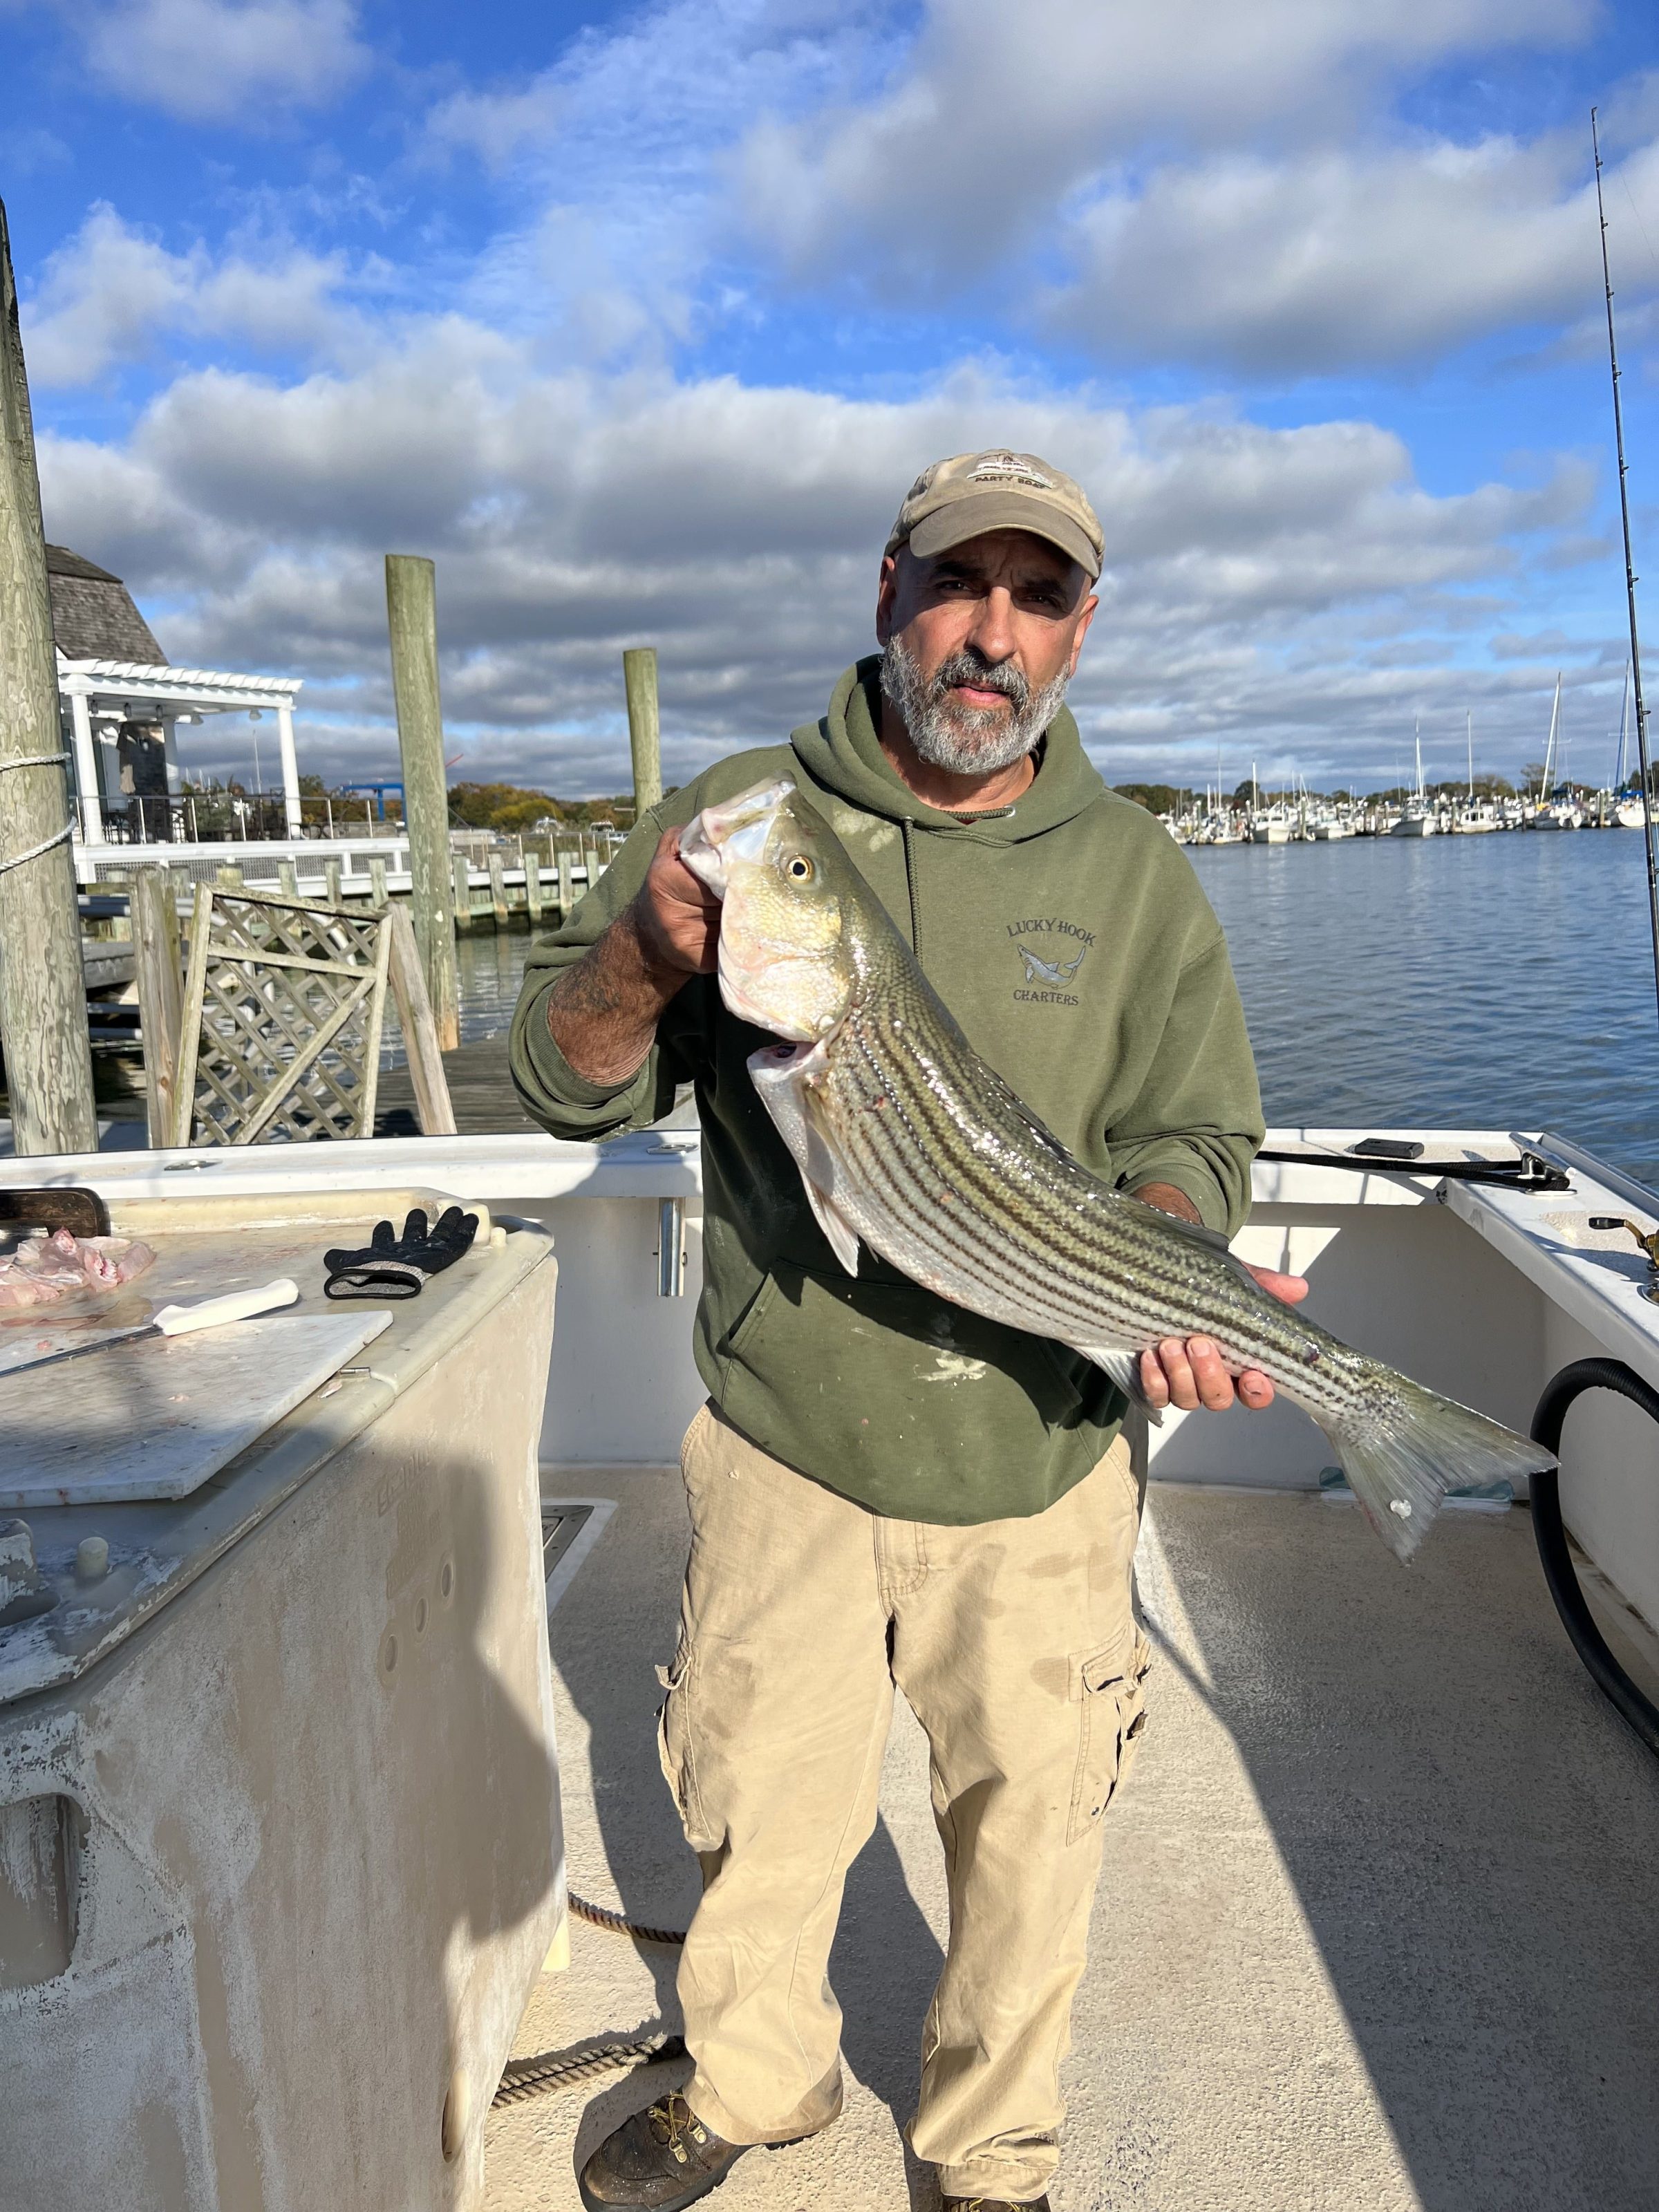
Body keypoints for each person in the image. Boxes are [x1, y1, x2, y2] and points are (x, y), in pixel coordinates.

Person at [509, 449, 1303, 2212]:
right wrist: (646, 950)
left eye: (1038, 598)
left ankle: (992, 2146)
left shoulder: (1137, 873)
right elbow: (560, 1083)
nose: (989, 634)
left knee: (1032, 1832)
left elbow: (1196, 1138)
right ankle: (753, 2078)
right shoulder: (744, 818)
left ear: (1080, 634)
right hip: (785, 1430)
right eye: (959, 585)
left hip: (1036, 1451)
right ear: (888, 591)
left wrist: (1164, 1266)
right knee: (763, 1798)